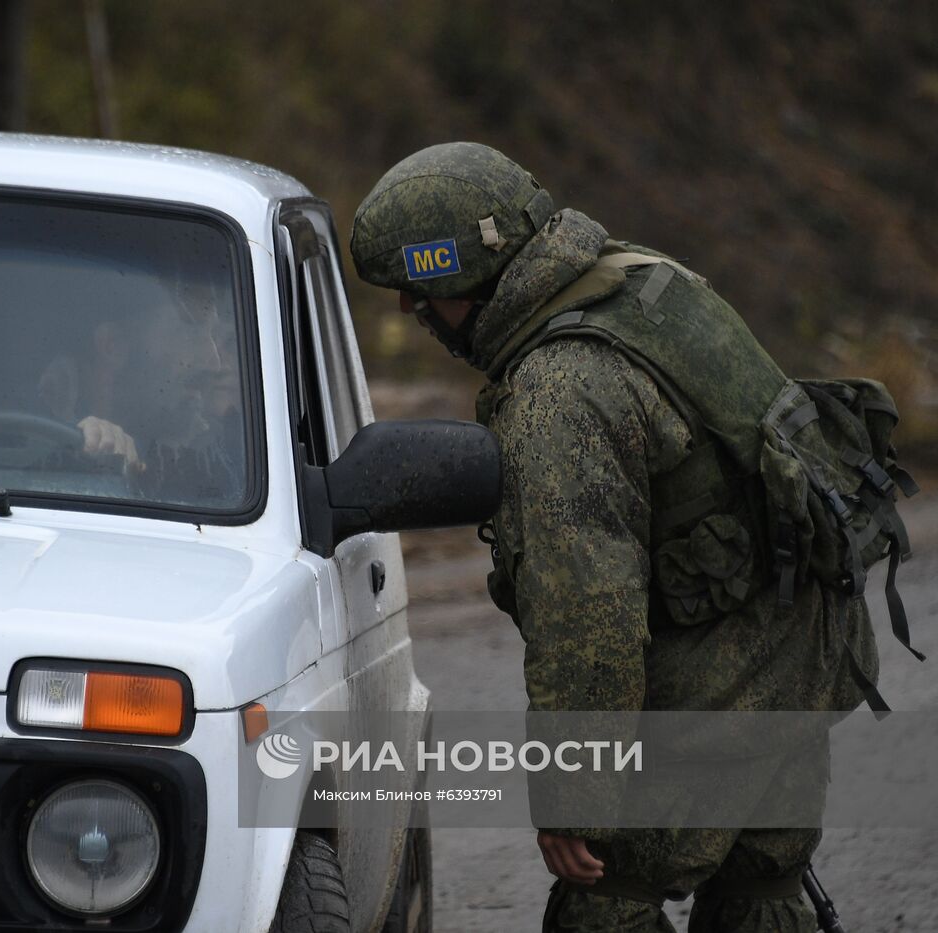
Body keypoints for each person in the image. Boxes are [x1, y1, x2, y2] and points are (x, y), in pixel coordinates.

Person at [348, 142, 881, 932]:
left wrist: (574, 798)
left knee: (604, 905)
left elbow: (586, 620)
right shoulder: (649, 285)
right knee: (763, 892)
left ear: (461, 276)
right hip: (802, 664)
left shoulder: (559, 393)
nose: (408, 312)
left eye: (416, 290)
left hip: (712, 704)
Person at [36, 280, 243, 506]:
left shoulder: (232, 471)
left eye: (211, 336)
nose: (213, 363)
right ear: (112, 345)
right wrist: (86, 452)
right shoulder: (37, 465)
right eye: (189, 332)